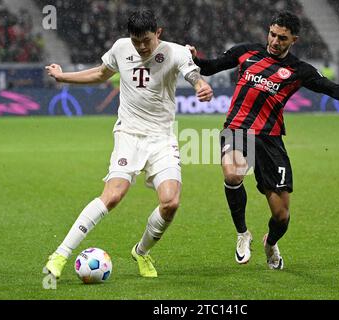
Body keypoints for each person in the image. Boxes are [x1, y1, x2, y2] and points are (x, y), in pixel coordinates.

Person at [187, 11, 339, 270]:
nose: (275, 41)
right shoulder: (246, 52)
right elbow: (210, 67)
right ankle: (243, 233)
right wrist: (195, 57)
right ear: (269, 31)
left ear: (293, 40)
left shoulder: (299, 70)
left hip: (271, 140)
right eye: (273, 34)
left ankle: (270, 242)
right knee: (232, 174)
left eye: (282, 38)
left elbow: (336, 91)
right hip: (237, 128)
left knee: (281, 215)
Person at [43, 10, 213, 279]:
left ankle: (141, 252)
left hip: (162, 138)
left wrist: (201, 85)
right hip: (129, 135)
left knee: (170, 203)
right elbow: (101, 73)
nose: (142, 47)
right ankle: (60, 254)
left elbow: (192, 74)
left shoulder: (177, 52)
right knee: (112, 196)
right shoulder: (121, 48)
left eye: (146, 40)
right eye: (137, 41)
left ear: (158, 33)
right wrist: (64, 77)